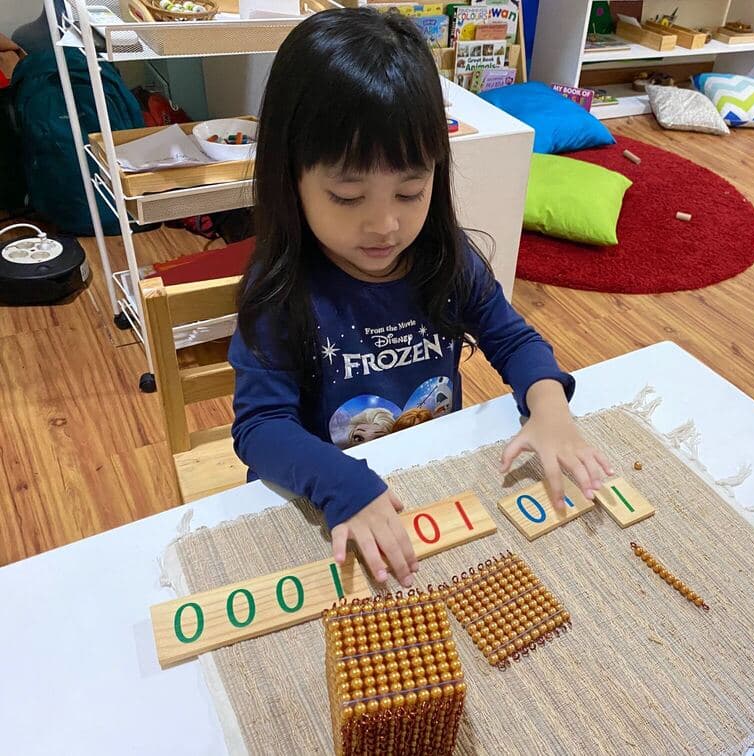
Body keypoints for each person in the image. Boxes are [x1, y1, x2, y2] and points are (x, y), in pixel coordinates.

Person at [229, 8, 612, 591]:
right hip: (321, 494)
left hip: (429, 479)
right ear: (290, 178)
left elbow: (512, 339)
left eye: (410, 192)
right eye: (347, 196)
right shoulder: (281, 289)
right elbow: (261, 428)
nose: (385, 225)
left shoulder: (445, 257)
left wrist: (550, 406)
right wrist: (342, 484)